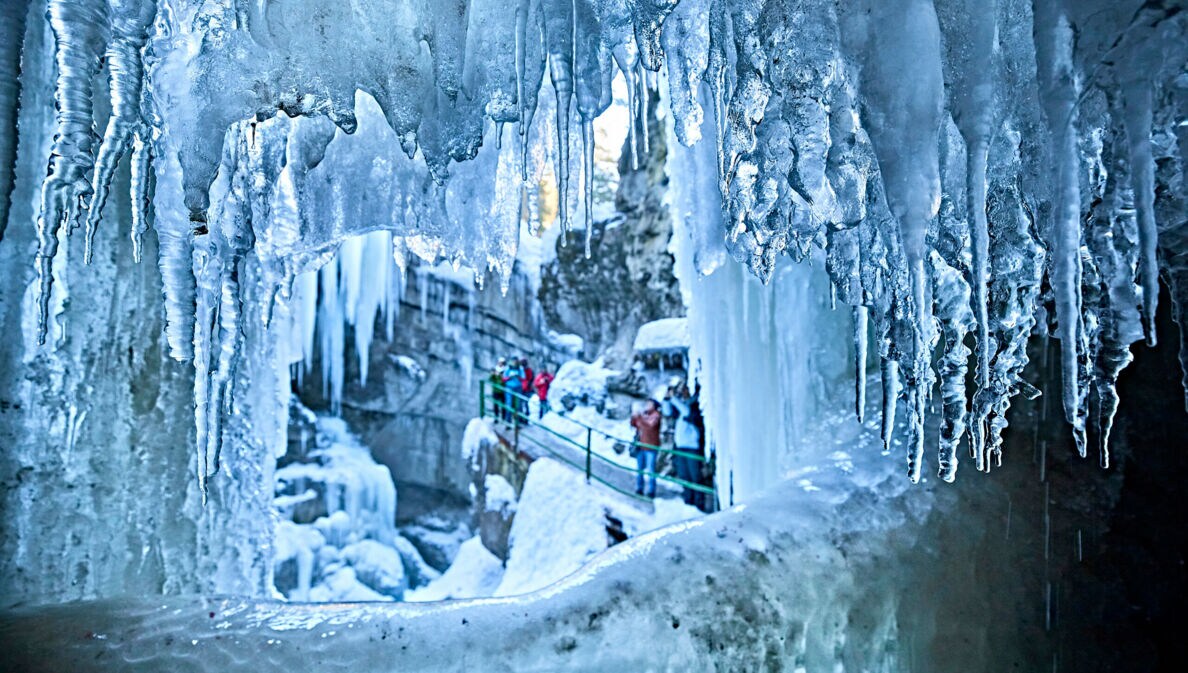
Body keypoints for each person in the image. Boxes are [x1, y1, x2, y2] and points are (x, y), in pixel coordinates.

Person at [663, 382, 702, 506]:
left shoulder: (695, 405)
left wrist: (673, 399)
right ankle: (688, 500)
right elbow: (667, 412)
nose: (684, 393)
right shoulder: (681, 406)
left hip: (692, 447)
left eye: (686, 390)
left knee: (694, 475)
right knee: (684, 474)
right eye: (683, 390)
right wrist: (667, 399)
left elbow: (687, 412)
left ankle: (698, 501)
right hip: (680, 447)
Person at [630, 399, 662, 498]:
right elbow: (635, 425)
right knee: (639, 469)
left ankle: (651, 491)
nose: (647, 405)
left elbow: (649, 426)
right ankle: (639, 488)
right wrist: (634, 417)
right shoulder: (644, 415)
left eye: (650, 403)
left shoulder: (656, 415)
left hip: (651, 446)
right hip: (641, 446)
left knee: (651, 470)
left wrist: (639, 417)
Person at [502, 356, 526, 423]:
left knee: (518, 405)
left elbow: (524, 378)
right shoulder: (508, 368)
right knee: (509, 404)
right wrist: (510, 377)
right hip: (509, 387)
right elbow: (503, 379)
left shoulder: (520, 368)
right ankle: (508, 421)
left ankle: (517, 422)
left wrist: (518, 377)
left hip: (518, 387)